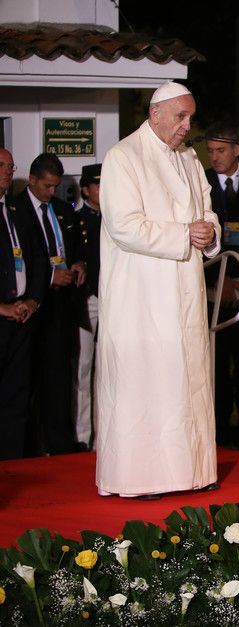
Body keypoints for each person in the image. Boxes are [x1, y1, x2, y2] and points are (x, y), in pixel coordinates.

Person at [96, 80, 221, 498]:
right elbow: (124, 226)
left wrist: (209, 231)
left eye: (190, 117)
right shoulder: (123, 156)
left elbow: (207, 211)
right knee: (147, 384)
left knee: (187, 382)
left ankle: (191, 473)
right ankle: (141, 478)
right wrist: (185, 234)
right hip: (142, 295)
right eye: (180, 116)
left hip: (185, 289)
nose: (187, 125)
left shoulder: (189, 158)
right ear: (155, 113)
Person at [15, 152, 86, 455]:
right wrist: (49, 278)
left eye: (55, 186)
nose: (51, 192)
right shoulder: (15, 210)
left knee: (59, 379)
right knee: (27, 380)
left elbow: (76, 247)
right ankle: (29, 448)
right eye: (46, 186)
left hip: (61, 307)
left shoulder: (63, 210)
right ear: (31, 180)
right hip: (30, 307)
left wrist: (79, 264)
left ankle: (60, 447)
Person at [204, 124, 239, 451]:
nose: (215, 157)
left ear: (237, 149)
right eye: (210, 151)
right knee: (217, 368)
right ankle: (218, 438)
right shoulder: (201, 182)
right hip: (213, 289)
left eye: (221, 150)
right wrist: (216, 281)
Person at [0, 148, 46, 459]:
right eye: (1, 165)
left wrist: (33, 300)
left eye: (10, 166)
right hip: (1, 315)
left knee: (16, 396)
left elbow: (40, 260)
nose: (7, 171)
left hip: (22, 318)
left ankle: (14, 464)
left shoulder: (17, 211)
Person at [74, 163, 102, 450]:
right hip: (87, 301)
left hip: (113, 300)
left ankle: (102, 436)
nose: (102, 190)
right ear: (85, 189)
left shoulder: (115, 219)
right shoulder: (77, 219)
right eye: (97, 185)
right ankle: (82, 436)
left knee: (108, 370)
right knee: (83, 368)